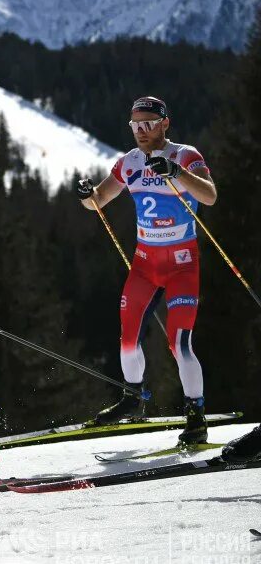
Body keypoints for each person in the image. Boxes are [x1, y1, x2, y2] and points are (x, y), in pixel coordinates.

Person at [77, 96, 217, 443]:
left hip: (182, 264)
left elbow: (210, 195)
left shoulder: (185, 155)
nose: (141, 131)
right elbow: (98, 201)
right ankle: (132, 399)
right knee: (127, 339)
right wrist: (84, 194)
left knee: (180, 343)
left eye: (148, 124)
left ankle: (196, 416)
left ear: (164, 123)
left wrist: (179, 174)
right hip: (144, 265)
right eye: (135, 126)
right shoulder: (129, 162)